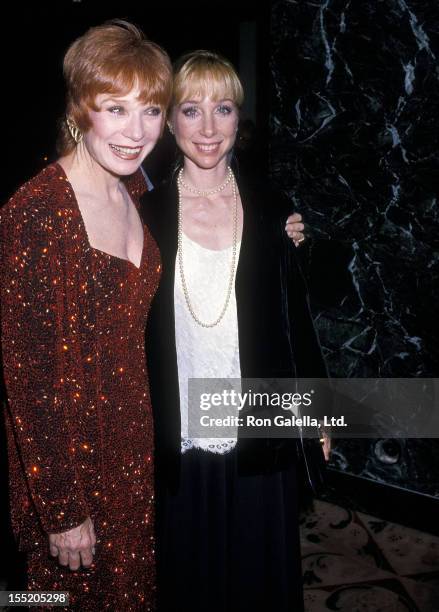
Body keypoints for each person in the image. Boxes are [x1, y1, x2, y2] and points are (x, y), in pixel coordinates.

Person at [142, 50, 329, 612]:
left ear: (237, 120)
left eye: (221, 109)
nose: (207, 128)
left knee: (258, 576)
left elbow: (295, 316)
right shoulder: (146, 215)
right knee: (190, 579)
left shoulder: (273, 208)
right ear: (170, 122)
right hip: (179, 427)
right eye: (190, 110)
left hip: (257, 424)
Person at [0, 21, 172, 610]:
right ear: (81, 109)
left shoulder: (134, 189)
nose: (136, 131)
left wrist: (281, 231)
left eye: (150, 111)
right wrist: (62, 508)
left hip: (130, 450)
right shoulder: (36, 214)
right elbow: (29, 378)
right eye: (115, 109)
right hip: (70, 468)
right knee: (46, 603)